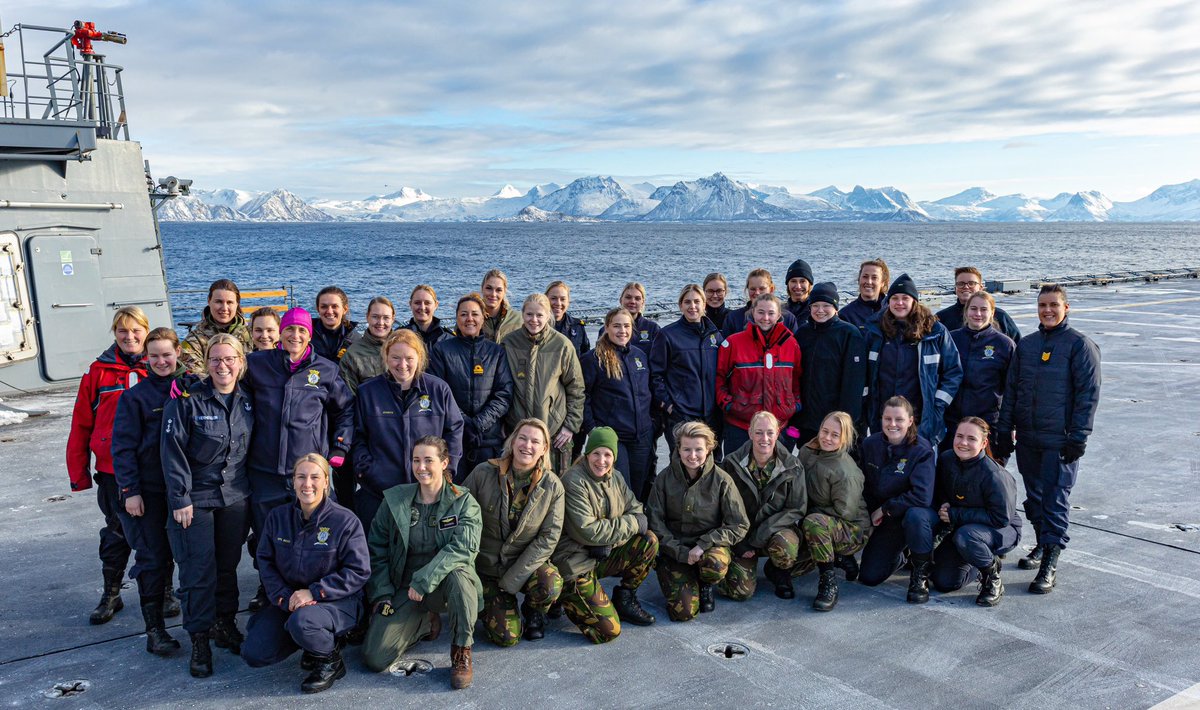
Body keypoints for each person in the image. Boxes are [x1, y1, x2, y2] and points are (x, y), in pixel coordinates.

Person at [242, 307, 354, 611]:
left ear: (309, 334)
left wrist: (339, 449)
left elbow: (345, 410)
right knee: (267, 535)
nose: (295, 335)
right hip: (264, 469)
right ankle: (268, 588)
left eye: (301, 330)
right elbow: (222, 379)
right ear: (281, 332)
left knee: (311, 534)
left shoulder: (326, 370)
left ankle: (315, 593)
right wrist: (186, 386)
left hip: (306, 471)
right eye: (289, 329)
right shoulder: (256, 365)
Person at [994, 284, 1100, 593]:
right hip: (1028, 437)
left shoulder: (1080, 346)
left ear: (1067, 308)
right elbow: (1011, 391)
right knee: (1035, 498)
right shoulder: (1026, 346)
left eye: (1054, 304)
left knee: (1055, 498)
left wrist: (1079, 435)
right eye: (1042, 305)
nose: (1048, 310)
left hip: (1060, 439)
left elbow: (1087, 395)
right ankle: (1042, 543)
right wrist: (1004, 428)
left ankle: (1051, 561)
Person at [161, 334, 254, 677]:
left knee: (227, 567)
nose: (223, 365)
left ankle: (224, 624)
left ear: (241, 363)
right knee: (198, 572)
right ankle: (199, 639)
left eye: (230, 359)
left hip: (234, 497)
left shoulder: (248, 400)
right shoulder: (188, 400)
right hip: (196, 500)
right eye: (215, 359)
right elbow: (172, 453)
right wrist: (180, 498)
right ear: (206, 363)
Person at [362, 437, 483, 690]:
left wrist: (424, 579)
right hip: (407, 588)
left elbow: (463, 549)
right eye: (416, 460)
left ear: (444, 462)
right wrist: (382, 593)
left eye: (429, 460)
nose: (422, 467)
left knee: (460, 576)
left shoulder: (463, 502)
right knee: (375, 657)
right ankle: (425, 621)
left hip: (445, 586)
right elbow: (377, 548)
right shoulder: (396, 501)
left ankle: (462, 650)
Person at [243, 454, 370, 694]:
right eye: (301, 477)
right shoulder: (278, 518)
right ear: (293, 481)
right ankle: (310, 641)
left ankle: (329, 660)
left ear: (326, 481)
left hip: (336, 601)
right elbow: (266, 562)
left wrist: (314, 592)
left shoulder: (345, 521)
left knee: (305, 622)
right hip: (291, 600)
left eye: (315, 477)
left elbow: (358, 571)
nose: (307, 484)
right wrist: (284, 597)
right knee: (255, 652)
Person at [67, 305, 151, 625]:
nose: (130, 337)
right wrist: (79, 473)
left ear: (146, 331)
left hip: (152, 468)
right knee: (117, 532)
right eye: (122, 331)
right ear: (115, 334)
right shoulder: (98, 373)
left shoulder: (160, 367)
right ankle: (111, 593)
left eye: (136, 330)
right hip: (113, 470)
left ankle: (164, 590)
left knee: (157, 532)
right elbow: (81, 424)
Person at [111, 327, 188, 654]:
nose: (161, 361)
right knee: (153, 560)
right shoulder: (134, 398)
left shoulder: (190, 390)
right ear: (146, 357)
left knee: (193, 559)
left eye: (166, 354)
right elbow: (123, 447)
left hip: (184, 492)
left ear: (178, 353)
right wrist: (130, 490)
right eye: (153, 355)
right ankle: (155, 629)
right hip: (150, 492)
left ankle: (206, 622)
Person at [463, 419, 565, 646]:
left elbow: (548, 539)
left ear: (544, 449)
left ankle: (533, 610)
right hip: (487, 568)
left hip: (523, 566)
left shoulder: (552, 486)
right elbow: (460, 515)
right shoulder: (483, 472)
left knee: (550, 583)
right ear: (512, 441)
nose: (527, 445)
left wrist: (512, 580)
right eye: (523, 438)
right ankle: (493, 604)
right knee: (507, 638)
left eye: (535, 441)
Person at [553, 427, 658, 643]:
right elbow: (587, 531)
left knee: (649, 542)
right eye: (596, 453)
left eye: (608, 454)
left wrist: (609, 539)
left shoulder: (615, 477)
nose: (602, 460)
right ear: (587, 453)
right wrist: (620, 530)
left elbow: (638, 511)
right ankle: (561, 598)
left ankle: (625, 597)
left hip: (603, 553)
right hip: (576, 562)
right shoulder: (573, 480)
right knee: (608, 631)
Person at [353, 329, 464, 530]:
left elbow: (454, 430)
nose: (402, 365)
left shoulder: (439, 390)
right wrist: (368, 471)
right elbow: (358, 436)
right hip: (379, 491)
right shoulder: (367, 392)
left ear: (419, 358)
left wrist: (446, 470)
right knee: (378, 551)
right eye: (395, 357)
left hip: (428, 490)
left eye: (409, 358)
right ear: (386, 357)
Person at [908, 418, 1022, 606]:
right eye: (959, 436)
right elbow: (941, 490)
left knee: (966, 536)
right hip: (965, 527)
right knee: (945, 582)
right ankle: (975, 562)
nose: (963, 443)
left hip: (1001, 528)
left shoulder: (995, 475)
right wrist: (944, 504)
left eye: (971, 438)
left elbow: (1001, 517)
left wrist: (955, 514)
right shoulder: (946, 459)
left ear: (983, 443)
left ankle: (992, 578)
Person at [647, 422, 748, 622]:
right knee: (683, 613)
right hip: (675, 550)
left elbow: (739, 524)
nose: (692, 456)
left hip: (707, 548)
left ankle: (705, 583)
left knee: (715, 564)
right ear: (678, 449)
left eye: (698, 449)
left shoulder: (722, 480)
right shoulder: (664, 479)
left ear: (709, 449)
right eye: (687, 449)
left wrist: (704, 544)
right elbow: (655, 522)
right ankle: (681, 576)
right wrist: (680, 552)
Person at [864, 274, 963, 446]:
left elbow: (954, 371)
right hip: (883, 417)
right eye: (894, 298)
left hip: (922, 418)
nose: (899, 303)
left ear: (914, 301)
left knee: (920, 465)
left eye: (905, 298)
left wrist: (937, 405)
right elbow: (864, 372)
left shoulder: (935, 331)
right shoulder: (875, 331)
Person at [720, 411, 808, 601]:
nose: (764, 438)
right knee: (741, 592)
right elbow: (722, 508)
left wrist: (764, 531)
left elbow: (796, 508)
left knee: (786, 548)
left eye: (770, 432)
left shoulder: (793, 466)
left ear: (778, 433)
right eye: (759, 432)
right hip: (742, 534)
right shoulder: (731, 464)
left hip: (776, 530)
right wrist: (738, 543)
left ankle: (780, 573)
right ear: (750, 433)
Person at [856, 396, 936, 600]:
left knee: (916, 517)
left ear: (910, 421)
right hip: (884, 520)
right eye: (887, 419)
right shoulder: (870, 444)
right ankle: (900, 555)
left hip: (910, 516)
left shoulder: (922, 450)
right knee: (869, 576)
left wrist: (884, 510)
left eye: (899, 419)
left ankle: (920, 570)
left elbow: (922, 497)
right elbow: (864, 485)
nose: (892, 424)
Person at [429, 293, 515, 479]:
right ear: (457, 317)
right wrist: (464, 423)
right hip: (452, 440)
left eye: (475, 314)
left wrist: (479, 424)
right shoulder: (442, 350)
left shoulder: (496, 352)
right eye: (464, 314)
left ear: (483, 316)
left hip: (488, 440)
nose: (469, 319)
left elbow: (504, 393)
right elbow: (437, 393)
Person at [501, 293, 584, 475]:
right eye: (529, 314)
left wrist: (570, 425)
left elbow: (576, 388)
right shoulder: (508, 343)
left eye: (540, 315)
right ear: (522, 314)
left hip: (554, 433)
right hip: (518, 431)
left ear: (548, 316)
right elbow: (500, 386)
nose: (534, 320)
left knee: (555, 486)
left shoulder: (562, 345)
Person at [797, 412, 870, 611]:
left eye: (835, 435)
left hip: (852, 529)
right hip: (817, 520)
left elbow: (844, 513)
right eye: (825, 431)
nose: (827, 438)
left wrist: (808, 513)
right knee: (778, 570)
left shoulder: (846, 471)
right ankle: (838, 559)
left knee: (814, 523)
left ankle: (828, 583)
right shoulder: (807, 450)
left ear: (844, 438)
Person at [581, 308, 655, 499]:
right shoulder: (593, 359)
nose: (622, 330)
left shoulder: (639, 355)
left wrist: (654, 424)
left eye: (626, 326)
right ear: (607, 327)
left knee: (638, 491)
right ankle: (621, 527)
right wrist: (592, 429)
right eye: (616, 326)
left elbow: (649, 392)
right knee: (620, 491)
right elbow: (582, 397)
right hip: (613, 437)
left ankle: (636, 527)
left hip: (642, 436)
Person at [716, 293, 802, 454]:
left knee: (778, 474)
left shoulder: (791, 343)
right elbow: (719, 379)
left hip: (780, 425)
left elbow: (796, 380)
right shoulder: (733, 343)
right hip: (740, 424)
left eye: (771, 313)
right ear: (753, 313)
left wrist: (794, 405)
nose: (766, 318)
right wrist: (728, 405)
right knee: (737, 473)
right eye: (761, 312)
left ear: (778, 315)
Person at [650, 284, 722, 455]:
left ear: (704, 304)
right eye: (687, 302)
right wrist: (668, 405)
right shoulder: (668, 335)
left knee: (712, 464)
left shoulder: (715, 336)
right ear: (680, 305)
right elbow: (655, 374)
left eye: (697, 301)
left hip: (711, 415)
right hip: (681, 415)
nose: (693, 306)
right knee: (682, 463)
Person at [793, 282, 867, 444]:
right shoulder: (802, 333)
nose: (820, 311)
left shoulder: (849, 334)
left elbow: (854, 383)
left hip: (835, 419)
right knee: (808, 460)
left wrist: (846, 420)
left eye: (826, 305)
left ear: (835, 308)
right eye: (815, 305)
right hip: (806, 418)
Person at [945, 291, 1016, 456]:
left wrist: (1010, 426)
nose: (978, 314)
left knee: (988, 472)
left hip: (988, 423)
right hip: (954, 422)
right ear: (966, 311)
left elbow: (1013, 389)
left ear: (992, 313)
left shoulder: (1005, 345)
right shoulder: (950, 339)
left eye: (983, 309)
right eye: (973, 309)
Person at [180, 279, 254, 374]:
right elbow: (194, 376)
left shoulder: (253, 333)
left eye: (229, 302)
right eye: (218, 302)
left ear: (237, 304)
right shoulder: (194, 340)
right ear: (209, 301)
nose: (224, 308)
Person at [935, 267, 1022, 342]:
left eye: (971, 283)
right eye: (961, 284)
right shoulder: (942, 318)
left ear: (981, 288)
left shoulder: (1000, 316)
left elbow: (1017, 348)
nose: (966, 287)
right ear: (955, 288)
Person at [720, 269, 800, 339]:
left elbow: (794, 348)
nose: (757, 293)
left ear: (771, 289)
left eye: (762, 289)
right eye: (753, 289)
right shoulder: (733, 318)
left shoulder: (788, 318)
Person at [339, 296, 396, 394]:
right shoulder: (352, 355)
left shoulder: (405, 349)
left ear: (393, 319)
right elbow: (348, 398)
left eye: (386, 318)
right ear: (367, 317)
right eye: (375, 317)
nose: (380, 323)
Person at [597, 282, 660, 354]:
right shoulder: (605, 330)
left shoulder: (653, 329)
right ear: (621, 300)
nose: (632, 301)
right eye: (628, 297)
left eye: (637, 298)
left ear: (642, 302)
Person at [311, 286, 358, 362]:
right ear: (318, 309)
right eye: (324, 307)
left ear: (344, 309)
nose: (329, 311)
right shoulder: (306, 336)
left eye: (334, 306)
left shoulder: (355, 340)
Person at [839, 259, 890, 329]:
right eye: (865, 277)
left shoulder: (892, 310)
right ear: (859, 280)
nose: (869, 282)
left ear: (882, 283)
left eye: (874, 278)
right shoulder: (845, 315)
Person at [546, 280, 591, 357]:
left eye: (563, 299)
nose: (558, 303)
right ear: (546, 299)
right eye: (553, 298)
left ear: (568, 302)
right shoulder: (537, 326)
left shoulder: (577, 326)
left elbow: (585, 356)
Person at [402, 284, 453, 350]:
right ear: (410, 304)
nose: (422, 307)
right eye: (417, 303)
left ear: (436, 305)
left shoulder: (448, 339)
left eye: (427, 303)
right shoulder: (399, 336)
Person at [480, 268, 523, 342]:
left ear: (504, 292)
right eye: (489, 288)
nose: (493, 294)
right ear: (482, 289)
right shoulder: (471, 318)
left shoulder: (519, 319)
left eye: (498, 290)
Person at [784, 258, 815, 328]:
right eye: (793, 281)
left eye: (802, 281)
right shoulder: (779, 311)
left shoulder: (817, 311)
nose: (798, 286)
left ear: (809, 284)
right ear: (788, 284)